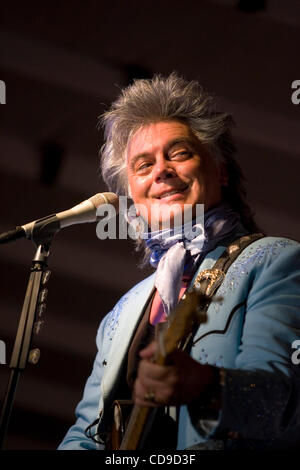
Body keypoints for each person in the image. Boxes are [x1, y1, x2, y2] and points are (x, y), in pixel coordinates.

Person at [58, 73, 300, 450]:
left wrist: (207, 387)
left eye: (179, 153)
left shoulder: (273, 262)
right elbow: (85, 435)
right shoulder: (121, 314)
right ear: (132, 197)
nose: (161, 171)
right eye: (143, 165)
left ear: (220, 171)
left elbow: (282, 403)